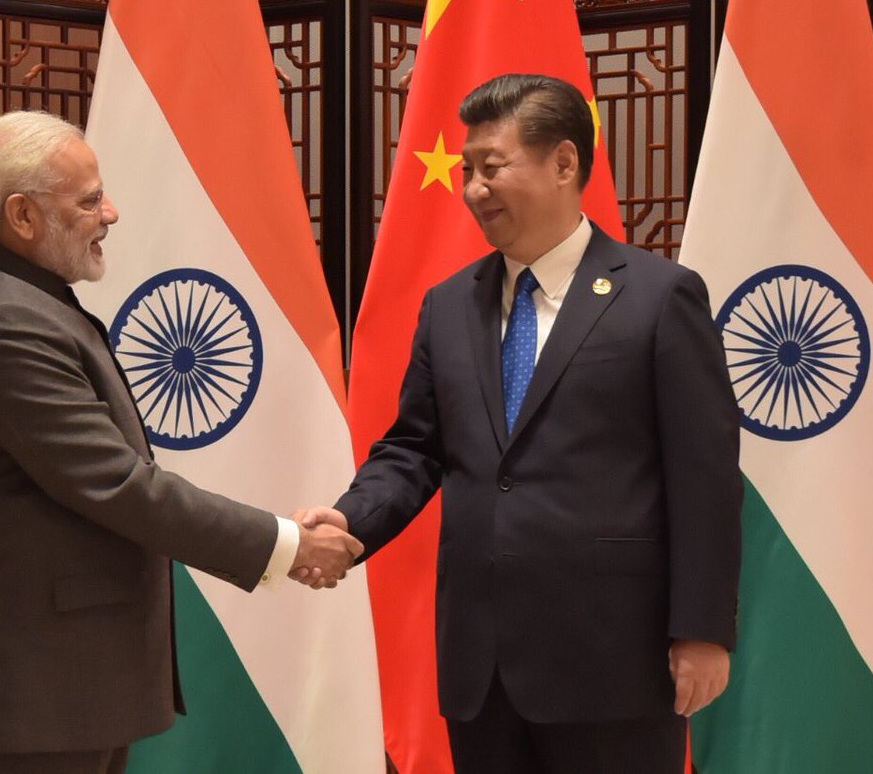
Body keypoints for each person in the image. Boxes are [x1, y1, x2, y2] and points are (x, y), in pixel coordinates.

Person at [298, 73, 741, 772]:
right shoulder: (450, 305)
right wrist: (350, 522)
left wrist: (703, 630)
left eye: (492, 166)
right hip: (482, 666)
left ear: (564, 163)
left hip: (613, 660)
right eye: (466, 170)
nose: (474, 188)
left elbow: (705, 478)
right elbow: (414, 449)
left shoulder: (659, 298)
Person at [0, 111, 362, 774]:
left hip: (59, 683)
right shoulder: (3, 319)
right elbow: (119, 485)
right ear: (22, 216)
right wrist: (285, 545)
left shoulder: (19, 299)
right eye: (89, 200)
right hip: (35, 689)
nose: (111, 213)